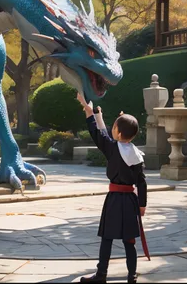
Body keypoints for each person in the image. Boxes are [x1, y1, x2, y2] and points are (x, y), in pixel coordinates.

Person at [76, 93, 147, 284]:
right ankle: (131, 276)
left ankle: (101, 275)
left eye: (114, 126)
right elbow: (142, 182)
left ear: (119, 133)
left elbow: (98, 134)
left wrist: (89, 111)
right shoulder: (137, 154)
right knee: (129, 241)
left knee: (107, 239)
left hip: (115, 199)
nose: (111, 128)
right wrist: (142, 205)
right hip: (131, 201)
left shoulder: (113, 149)